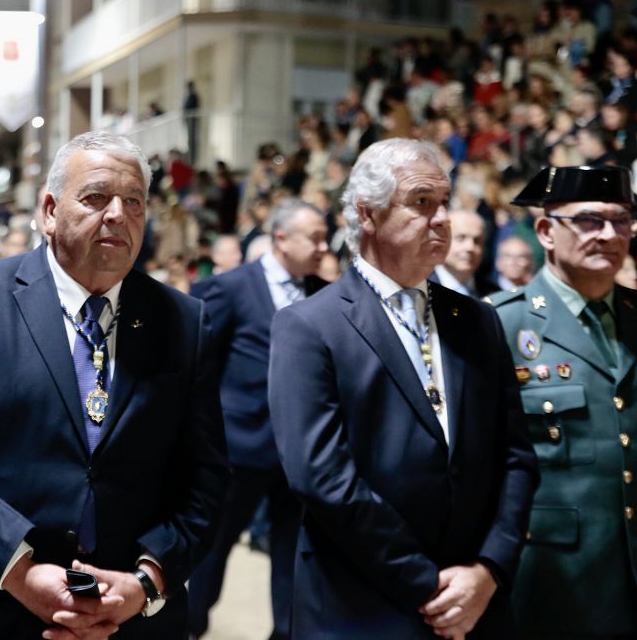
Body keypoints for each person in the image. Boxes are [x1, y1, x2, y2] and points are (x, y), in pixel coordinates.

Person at [0, 131, 229, 639]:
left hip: (133, 614)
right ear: (50, 210)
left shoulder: (185, 320)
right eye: (97, 197)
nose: (118, 215)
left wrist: (147, 583)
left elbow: (207, 477)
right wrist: (21, 571)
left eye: (134, 202)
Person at [269, 138, 539, 638]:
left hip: (477, 599)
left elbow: (517, 456)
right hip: (363, 602)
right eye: (421, 203)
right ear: (368, 215)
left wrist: (489, 570)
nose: (441, 220)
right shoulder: (309, 325)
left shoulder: (477, 320)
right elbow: (322, 478)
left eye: (444, 204)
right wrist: (425, 583)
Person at [489, 165, 637, 637]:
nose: (610, 234)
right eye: (590, 220)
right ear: (547, 232)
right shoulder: (500, 325)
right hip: (550, 577)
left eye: (623, 220)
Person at [188, 199, 329, 640]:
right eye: (315, 238)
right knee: (213, 551)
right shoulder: (231, 288)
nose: (324, 247)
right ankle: (190, 627)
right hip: (239, 449)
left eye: (325, 237)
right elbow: (198, 365)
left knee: (293, 555)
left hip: (297, 454)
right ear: (282, 238)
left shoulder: (321, 292)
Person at [433, 209, 500, 298]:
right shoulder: (420, 290)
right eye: (461, 238)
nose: (470, 247)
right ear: (441, 241)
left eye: (477, 241)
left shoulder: (494, 294)